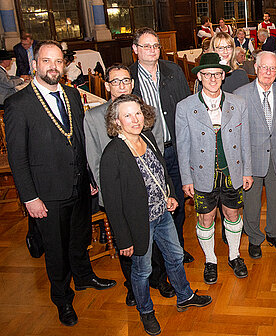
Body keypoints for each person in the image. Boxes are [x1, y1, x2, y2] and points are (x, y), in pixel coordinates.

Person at [5, 40, 116, 327]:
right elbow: (17, 158)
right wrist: (30, 198)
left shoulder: (70, 93)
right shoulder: (18, 104)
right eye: (46, 61)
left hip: (78, 184)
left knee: (79, 238)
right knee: (56, 249)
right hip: (47, 192)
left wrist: (90, 177)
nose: (53, 66)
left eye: (57, 61)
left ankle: (84, 277)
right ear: (34, 65)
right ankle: (62, 299)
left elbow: (79, 140)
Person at [100, 94, 212, 335]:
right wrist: (124, 239)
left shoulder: (147, 138)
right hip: (138, 223)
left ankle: (184, 296)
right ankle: (146, 312)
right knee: (142, 271)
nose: (135, 119)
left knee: (175, 256)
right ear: (117, 121)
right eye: (127, 115)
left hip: (162, 214)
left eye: (138, 113)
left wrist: (170, 194)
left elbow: (161, 171)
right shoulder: (113, 154)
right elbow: (112, 203)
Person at [84, 64, 170, 306]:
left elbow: (157, 147)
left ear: (132, 83)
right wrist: (108, 197)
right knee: (128, 244)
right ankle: (133, 286)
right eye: (115, 81)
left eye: (125, 80)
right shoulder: (93, 117)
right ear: (107, 85)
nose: (121, 85)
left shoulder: (143, 112)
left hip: (152, 192)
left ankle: (160, 279)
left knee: (157, 240)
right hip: (120, 194)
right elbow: (95, 159)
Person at [176, 53, 253, 285]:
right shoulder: (185, 107)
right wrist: (186, 178)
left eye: (217, 74)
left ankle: (234, 255)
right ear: (199, 76)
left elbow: (245, 139)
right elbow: (182, 146)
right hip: (201, 173)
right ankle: (210, 260)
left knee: (232, 214)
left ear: (223, 76)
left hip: (231, 171)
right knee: (206, 218)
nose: (213, 78)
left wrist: (247, 170)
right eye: (207, 74)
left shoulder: (237, 103)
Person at [130, 27, 193, 263]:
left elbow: (187, 109)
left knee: (175, 203)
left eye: (155, 46)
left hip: (174, 149)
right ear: (135, 49)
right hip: (145, 154)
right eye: (146, 46)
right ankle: (156, 257)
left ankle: (177, 250)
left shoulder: (173, 71)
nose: (152, 50)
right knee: (152, 208)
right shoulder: (129, 78)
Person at [234, 51, 276, 259]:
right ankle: (254, 238)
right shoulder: (240, 94)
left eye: (273, 68)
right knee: (251, 203)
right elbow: (236, 131)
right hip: (251, 160)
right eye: (264, 67)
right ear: (256, 68)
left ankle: (274, 234)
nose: (268, 72)